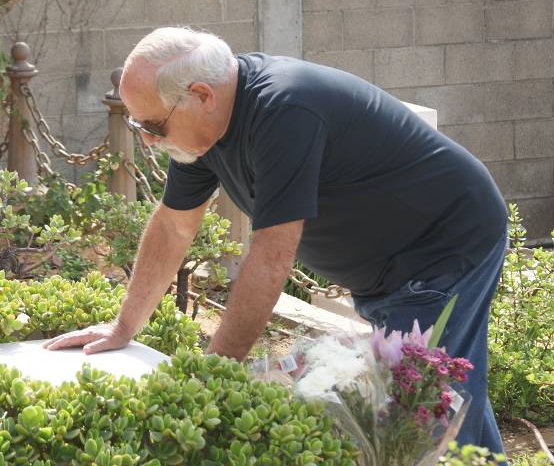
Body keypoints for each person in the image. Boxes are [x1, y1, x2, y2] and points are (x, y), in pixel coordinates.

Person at [43, 26, 509, 455]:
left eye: (153, 126)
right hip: (387, 268)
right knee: (447, 401)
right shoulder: (202, 132)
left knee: (426, 418)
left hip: (443, 245)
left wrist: (210, 380)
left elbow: (270, 258)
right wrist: (123, 327)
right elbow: (174, 226)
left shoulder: (284, 112)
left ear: (201, 95)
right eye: (138, 128)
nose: (147, 141)